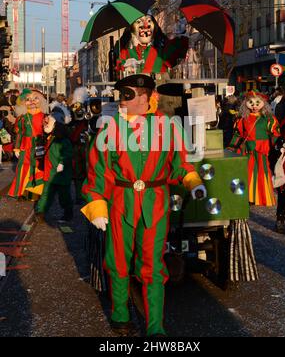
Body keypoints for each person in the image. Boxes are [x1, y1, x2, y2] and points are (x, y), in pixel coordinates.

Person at [81, 73, 206, 337]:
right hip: (121, 202)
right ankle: (120, 314)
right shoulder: (111, 129)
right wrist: (97, 203)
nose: (123, 101)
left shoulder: (168, 128)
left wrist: (192, 180)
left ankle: (155, 327)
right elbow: (99, 170)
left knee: (153, 264)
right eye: (121, 95)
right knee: (118, 260)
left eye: (129, 95)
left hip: (154, 202)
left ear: (148, 97)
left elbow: (178, 163)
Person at [228, 90, 280, 206]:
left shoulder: (268, 119)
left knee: (262, 172)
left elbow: (275, 134)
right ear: (245, 103)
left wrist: (277, 146)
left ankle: (262, 196)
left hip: (262, 150)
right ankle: (249, 196)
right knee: (248, 172)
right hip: (248, 150)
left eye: (257, 103)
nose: (254, 106)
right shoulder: (243, 118)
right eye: (251, 103)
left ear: (263, 103)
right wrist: (231, 148)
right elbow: (238, 134)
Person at [35, 103, 73, 223]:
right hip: (50, 173)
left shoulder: (64, 140)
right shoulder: (49, 137)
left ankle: (68, 213)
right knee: (46, 195)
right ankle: (40, 213)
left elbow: (68, 154)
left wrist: (62, 163)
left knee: (64, 197)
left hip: (61, 174)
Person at [8, 88, 47, 200]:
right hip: (25, 146)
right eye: (28, 99)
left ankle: (35, 193)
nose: (32, 101)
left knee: (38, 168)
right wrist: (16, 148)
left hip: (39, 146)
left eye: (35, 98)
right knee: (23, 169)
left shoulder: (45, 116)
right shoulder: (22, 118)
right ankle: (21, 192)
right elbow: (19, 133)